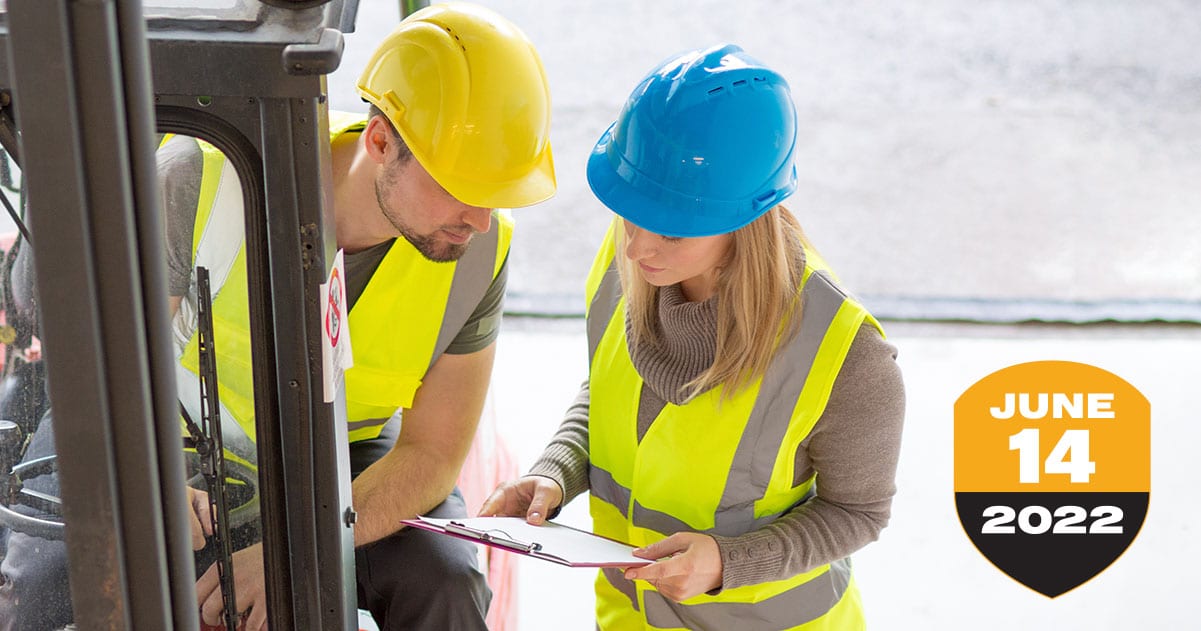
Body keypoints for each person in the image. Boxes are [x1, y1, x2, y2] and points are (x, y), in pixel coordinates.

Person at [0, 3, 555, 631]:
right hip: (165, 429)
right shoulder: (203, 175)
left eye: (497, 193)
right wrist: (146, 480)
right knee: (47, 582)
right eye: (462, 185)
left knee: (445, 582)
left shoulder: (476, 247)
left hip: (344, 451)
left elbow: (432, 453)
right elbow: (108, 373)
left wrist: (300, 549)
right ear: (380, 142)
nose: (481, 219)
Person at [481, 44, 904, 629]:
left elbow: (858, 512)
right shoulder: (636, 257)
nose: (634, 247)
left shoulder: (845, 355)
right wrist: (557, 470)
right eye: (631, 215)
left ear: (744, 219)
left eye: (672, 234)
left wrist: (729, 562)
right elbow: (614, 388)